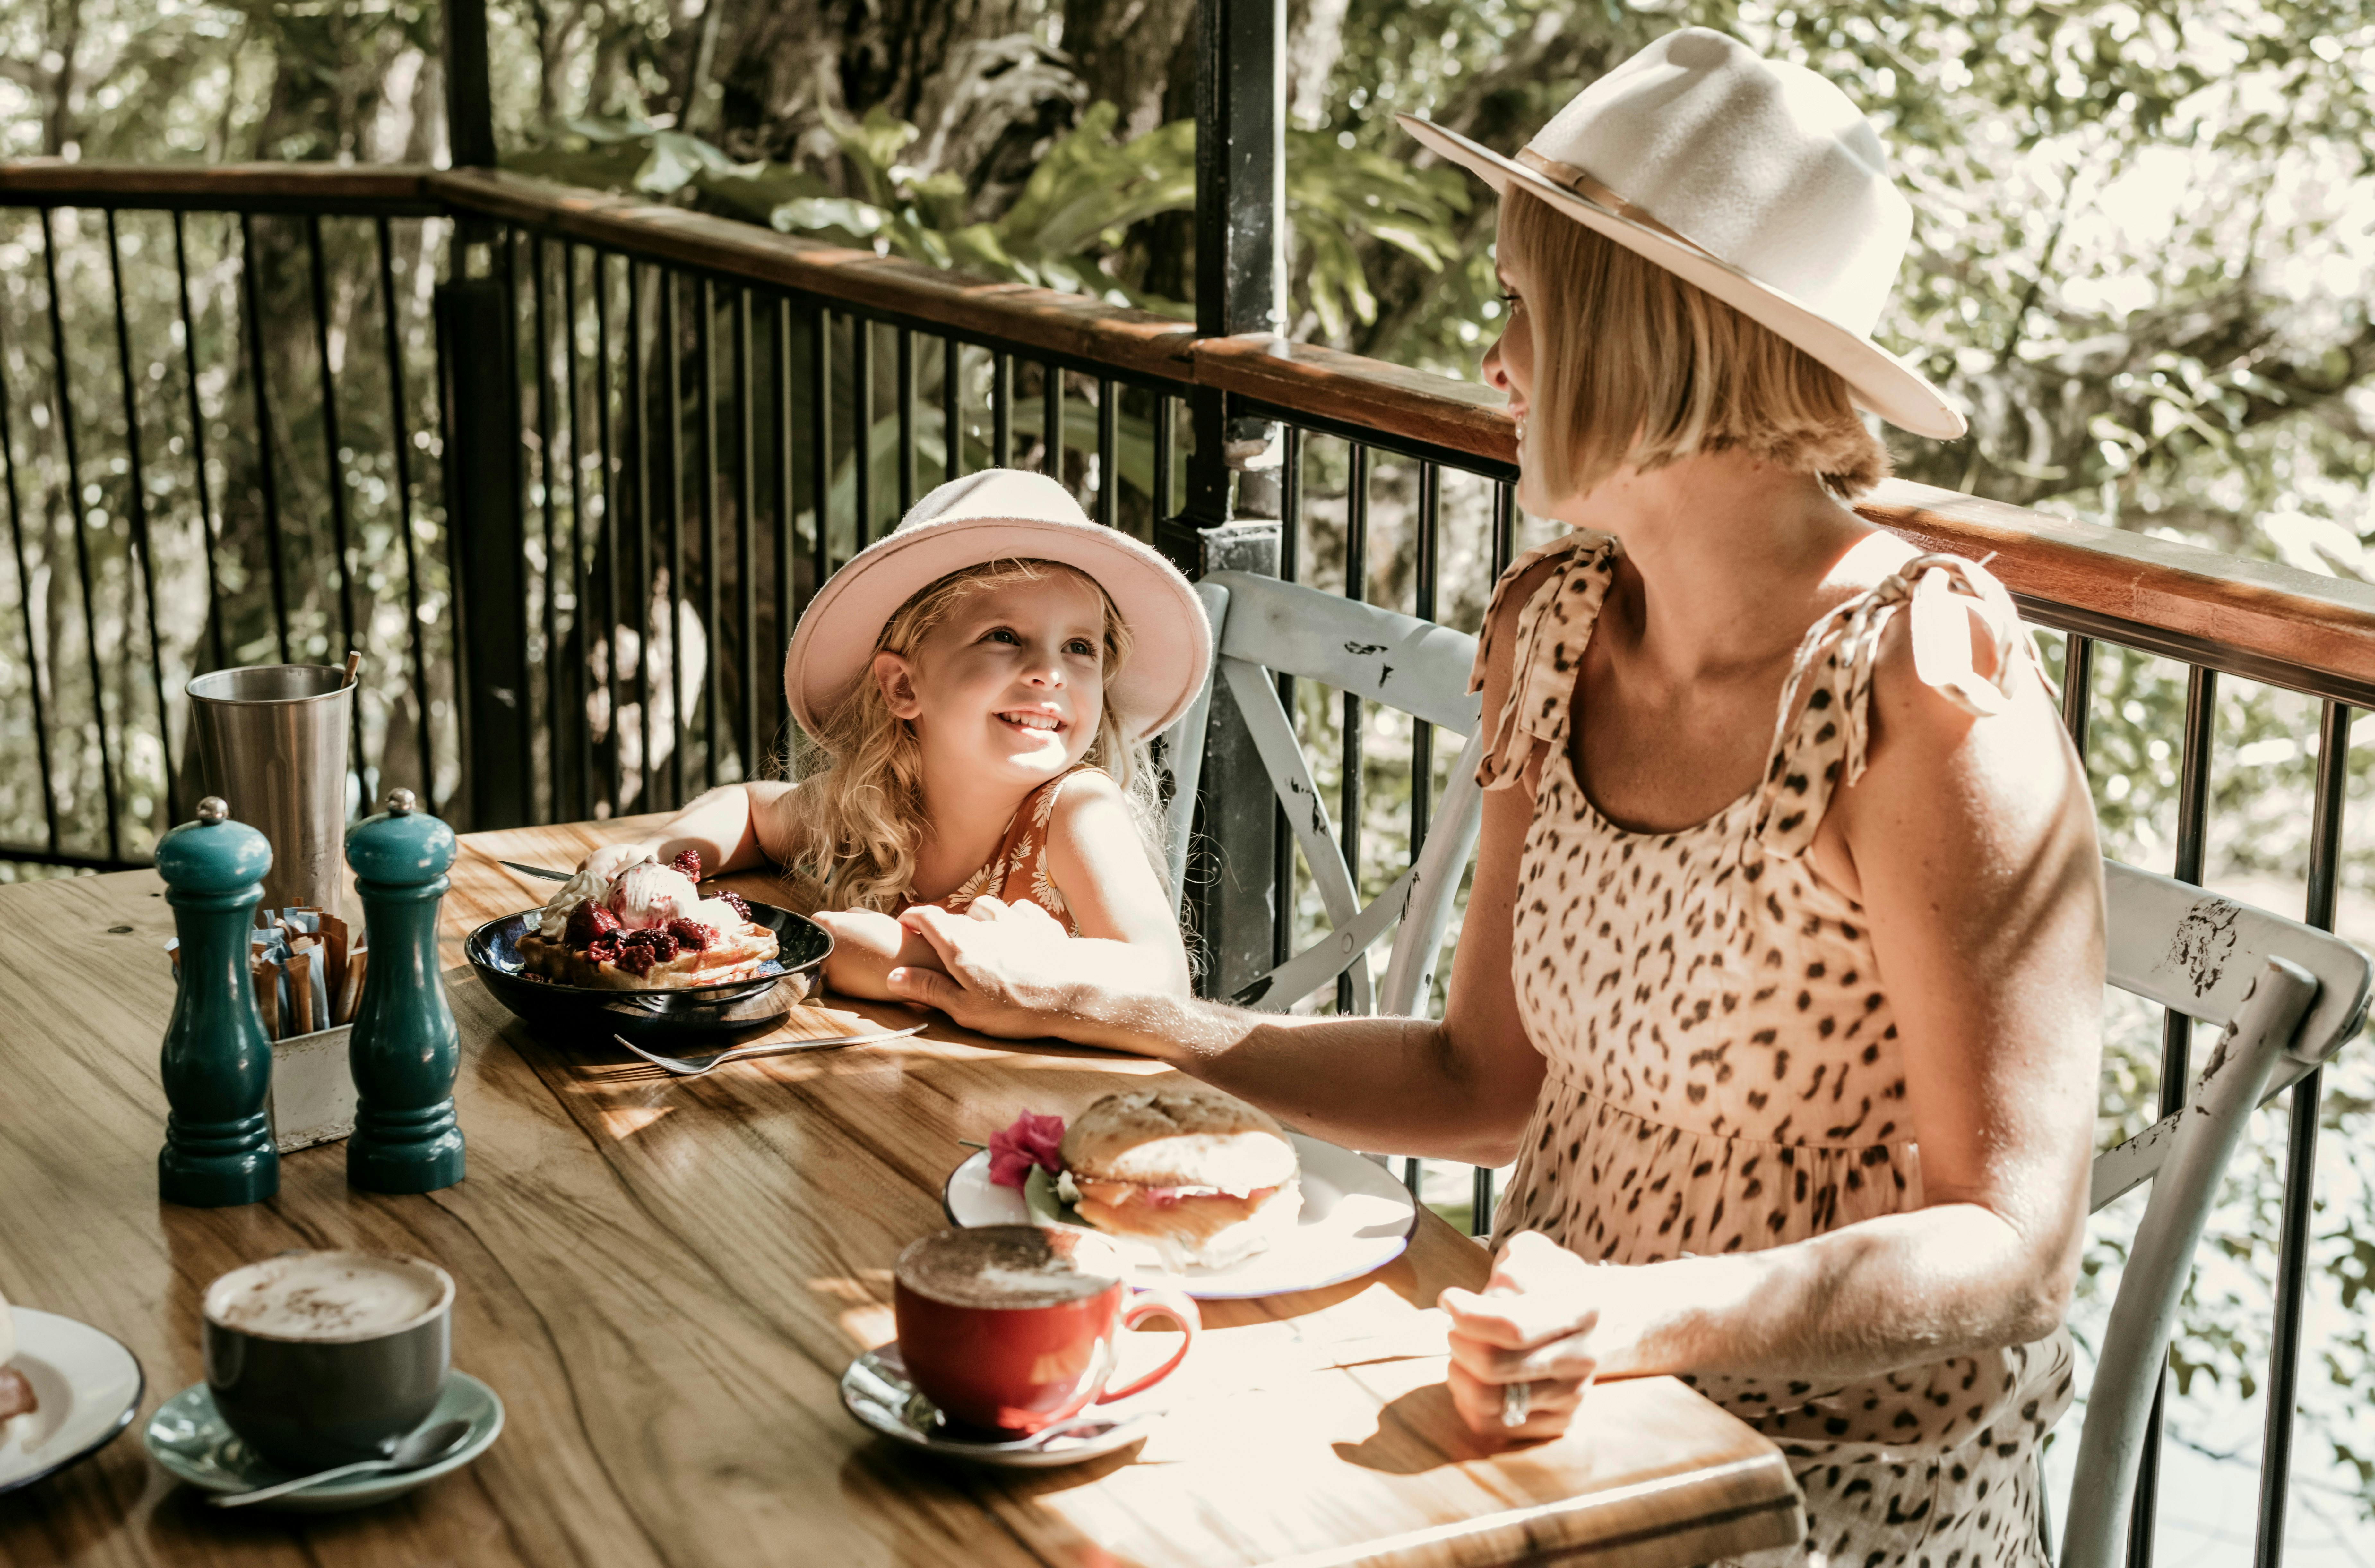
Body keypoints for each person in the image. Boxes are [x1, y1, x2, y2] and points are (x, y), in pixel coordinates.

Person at [878, 29, 2104, 1567]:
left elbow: (2012, 1250)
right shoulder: (1561, 624)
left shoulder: (1926, 695)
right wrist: (1103, 1010)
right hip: (1527, 1406)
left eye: (1521, 306)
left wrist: (1628, 1318)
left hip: (1815, 1485)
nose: (1492, 356)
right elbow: (1481, 1080)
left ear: (1641, 333)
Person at [642, 468, 1206, 1001]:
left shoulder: (1076, 811)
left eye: (1080, 648)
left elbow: (1163, 978)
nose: (1050, 671)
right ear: (903, 687)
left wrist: (911, 959)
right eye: (1005, 635)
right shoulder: (880, 801)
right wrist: (653, 859)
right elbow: (751, 813)